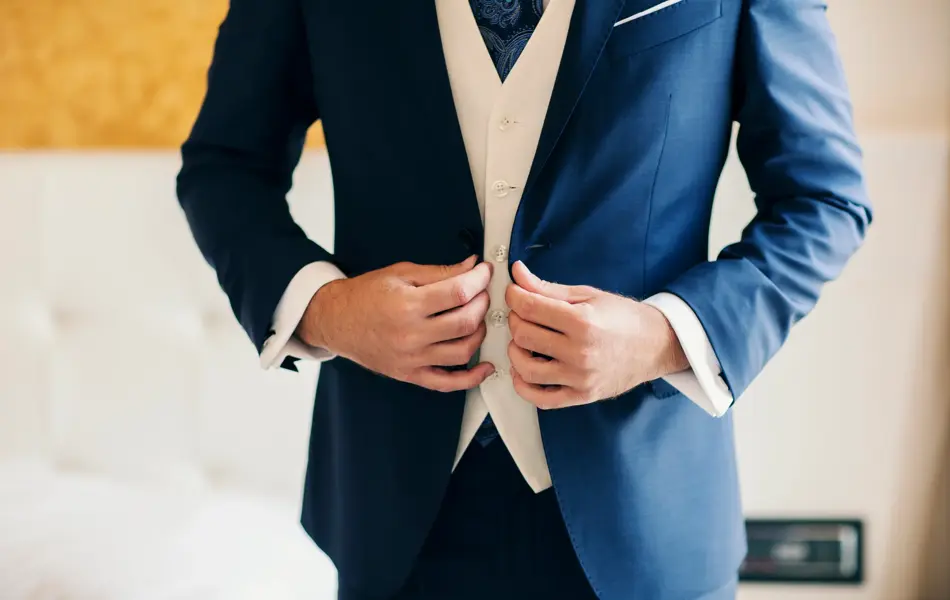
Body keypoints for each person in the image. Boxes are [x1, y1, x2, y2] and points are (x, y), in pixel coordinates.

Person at [177, 0, 871, 598]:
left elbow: (823, 199)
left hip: (648, 518)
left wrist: (663, 335)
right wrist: (328, 311)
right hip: (392, 513)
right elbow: (225, 168)